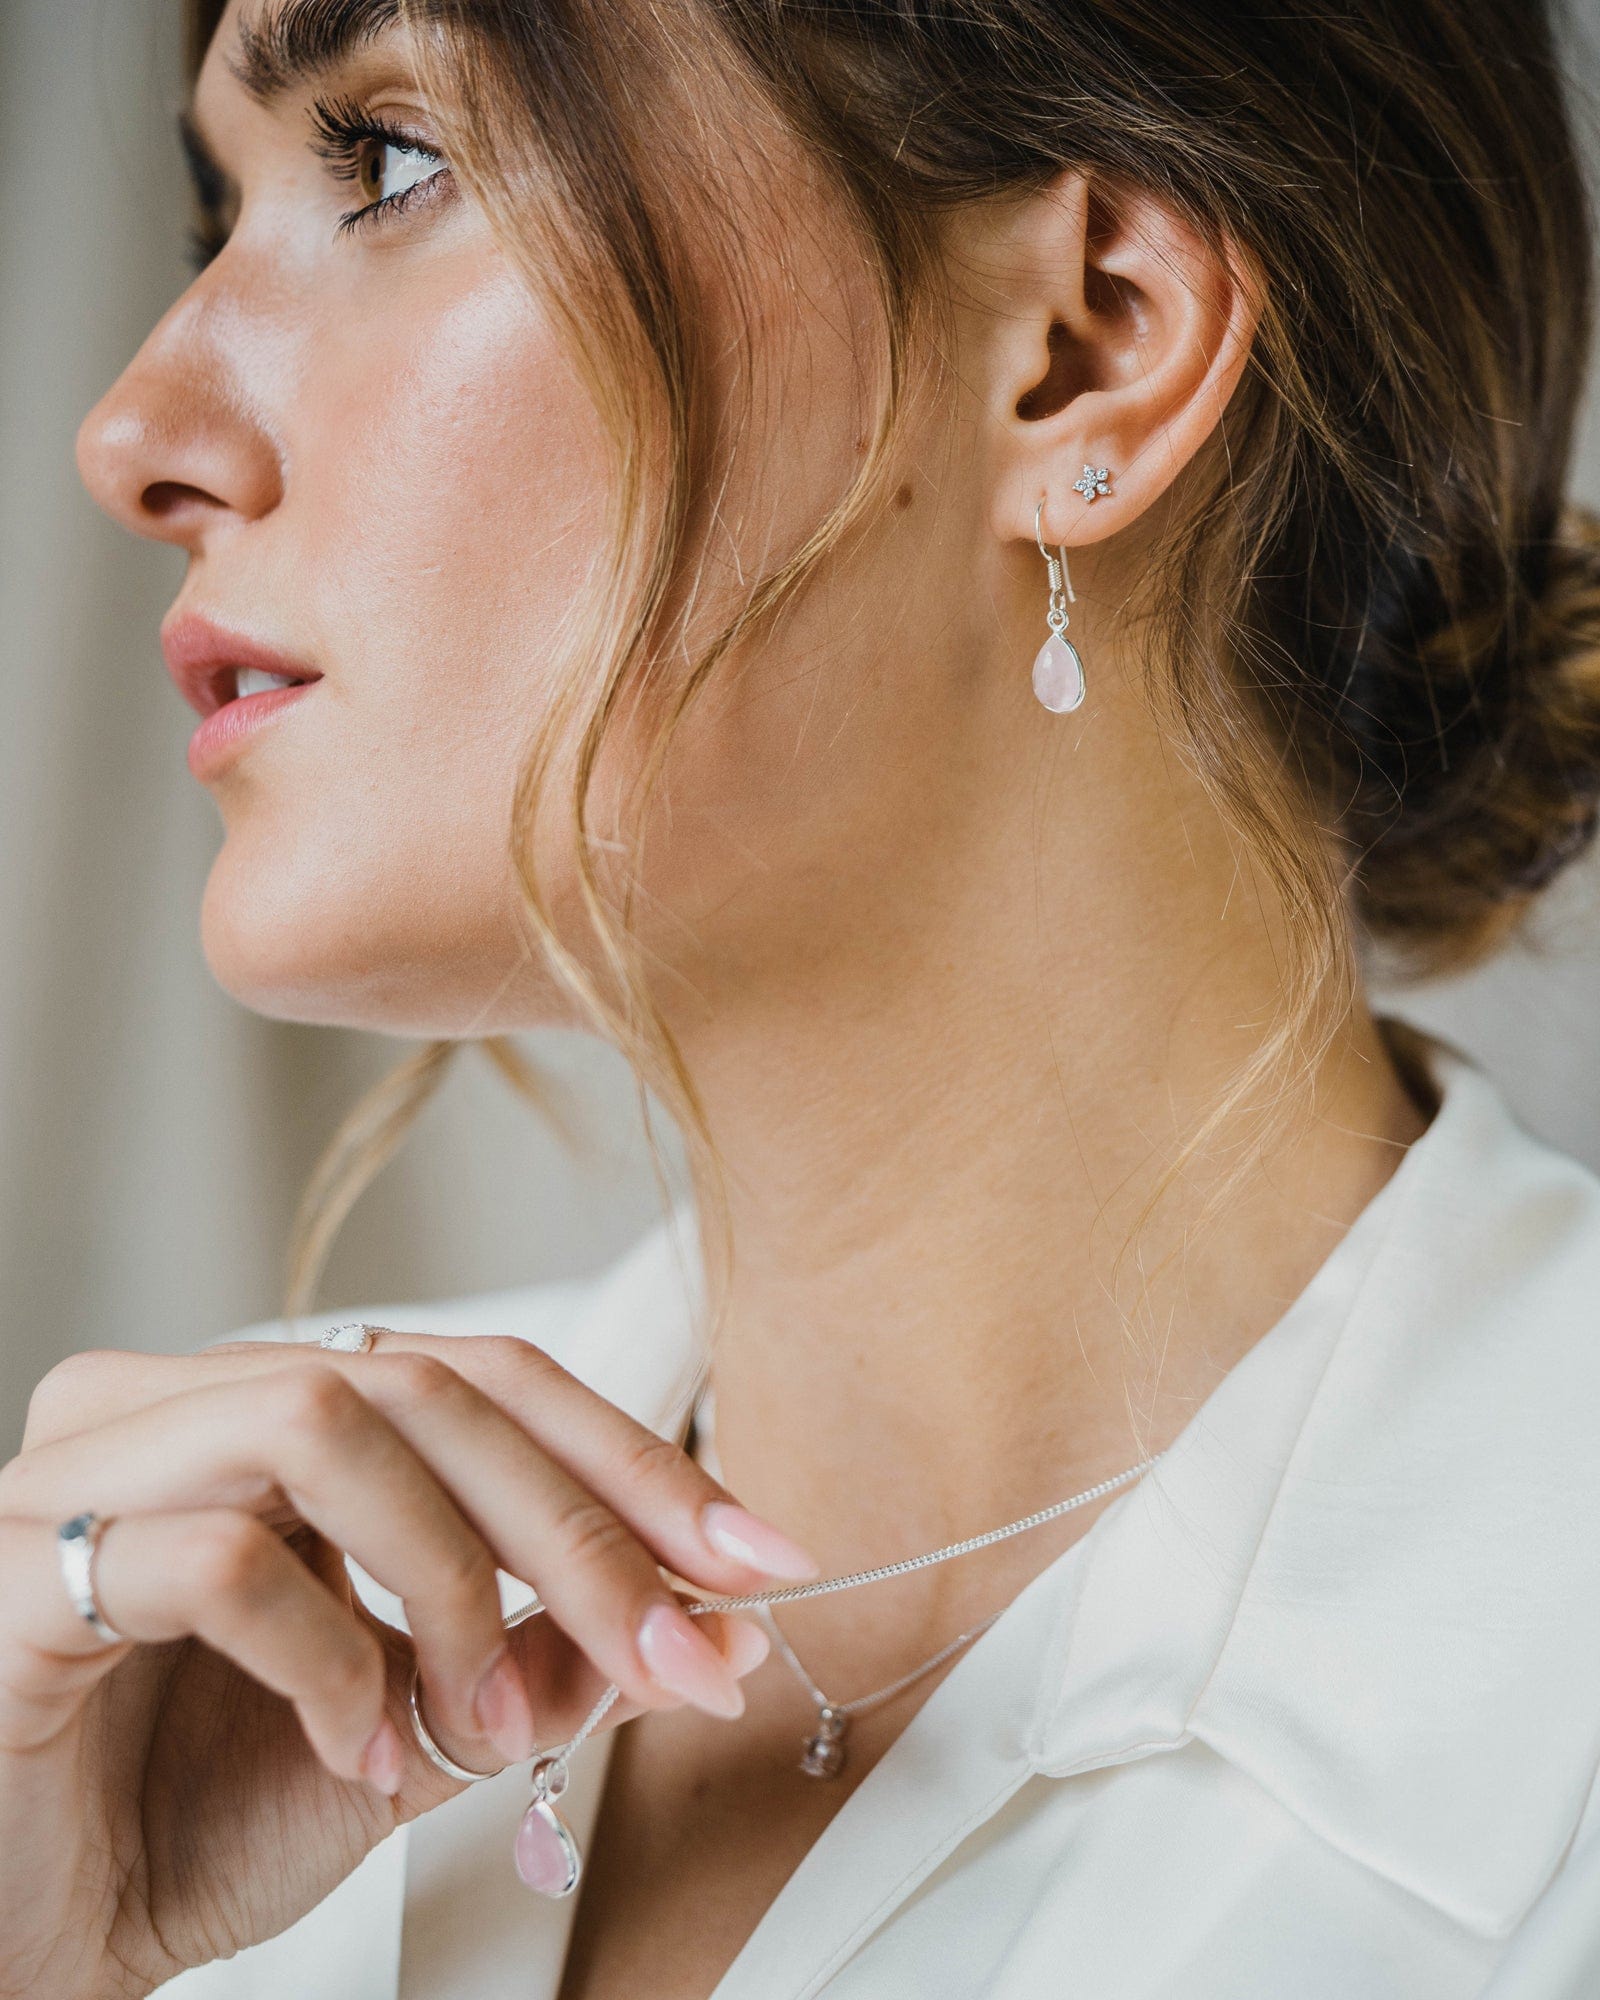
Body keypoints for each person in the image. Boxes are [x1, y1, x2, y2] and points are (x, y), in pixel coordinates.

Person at [6, 0, 1600, 1992]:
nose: (132, 432)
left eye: (393, 160)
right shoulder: (173, 1642)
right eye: (210, 222)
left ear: (1078, 343)